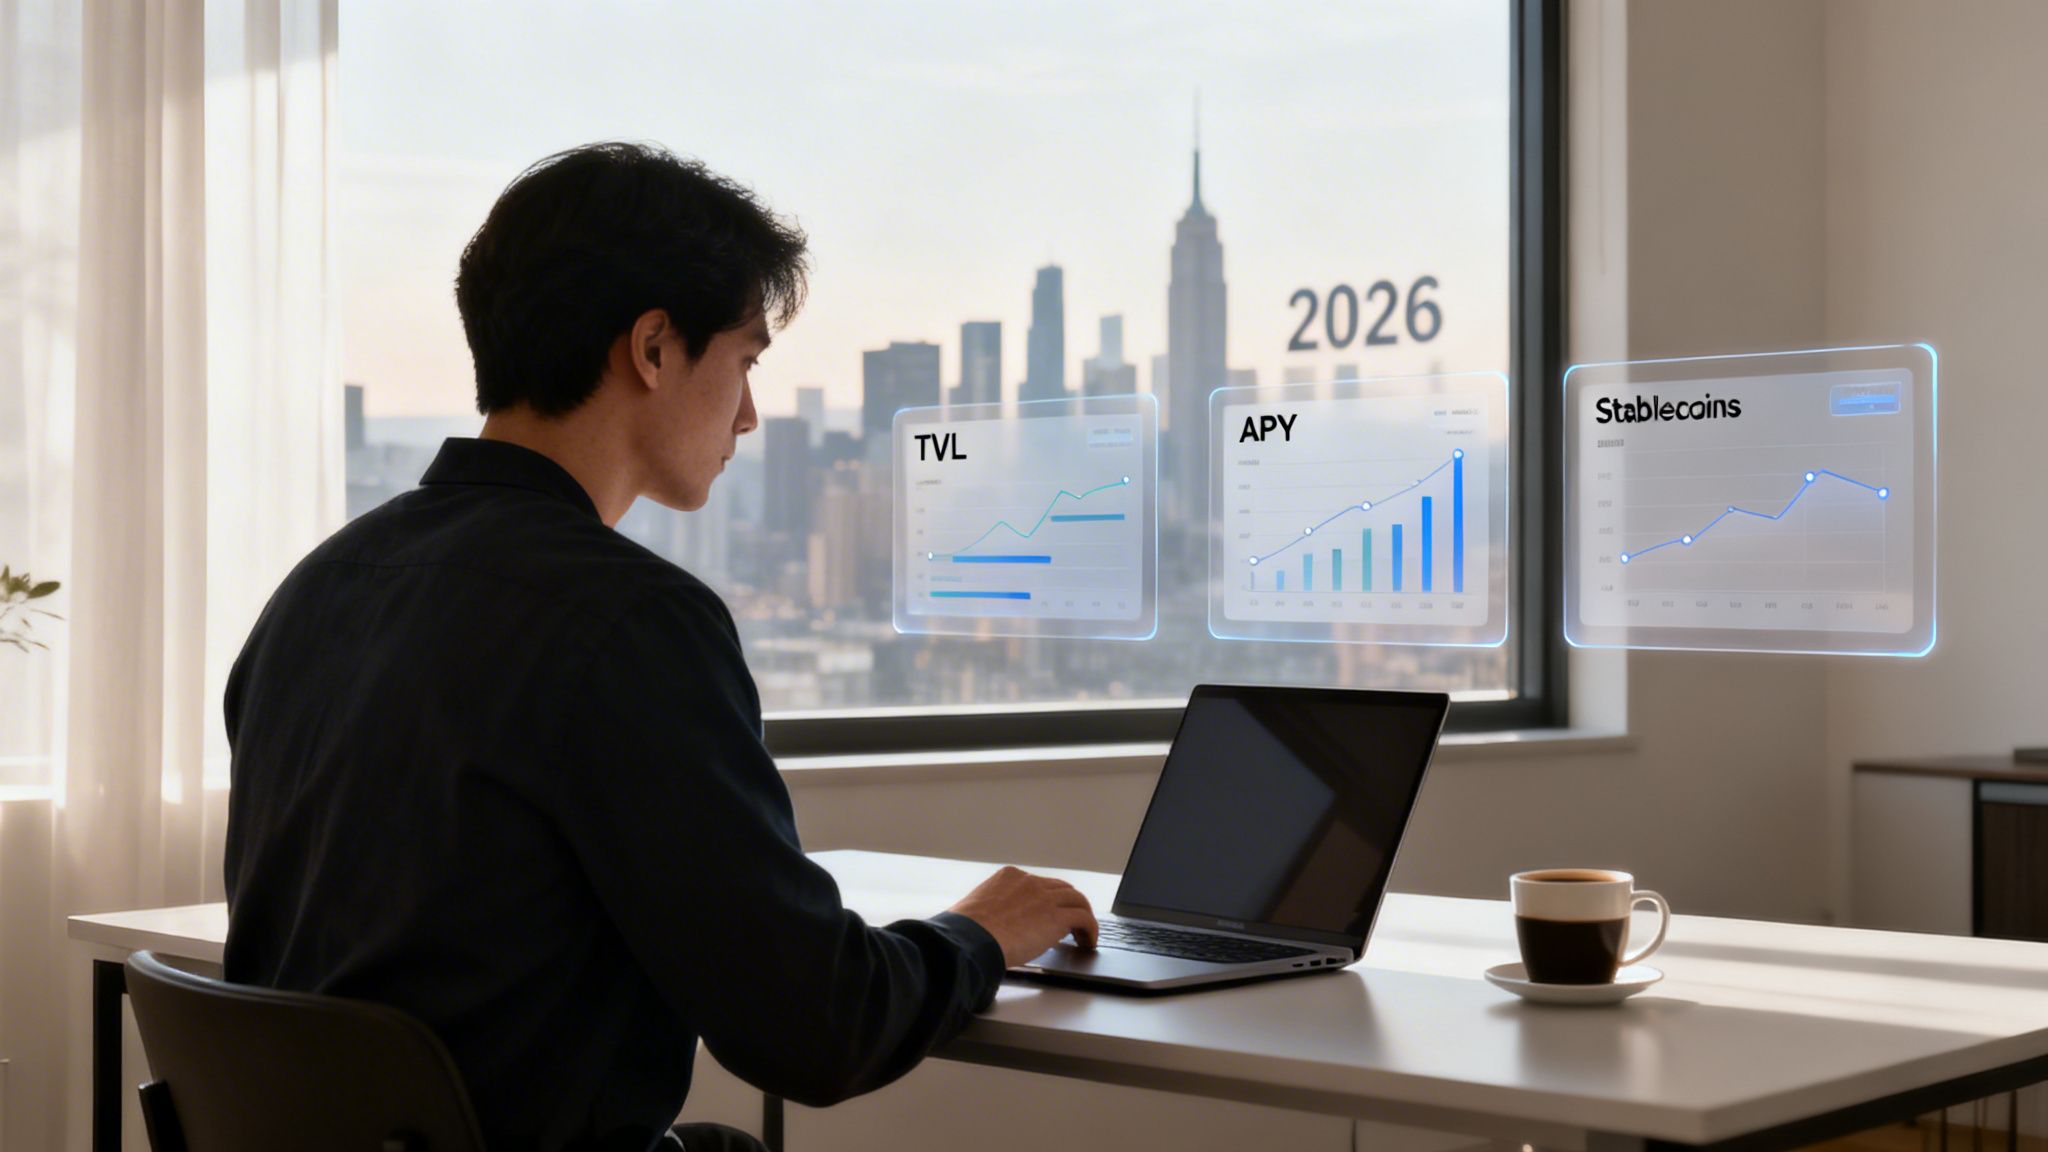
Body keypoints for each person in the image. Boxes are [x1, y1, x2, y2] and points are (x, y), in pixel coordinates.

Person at [222, 141, 1099, 1152]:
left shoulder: (316, 589)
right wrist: (978, 933)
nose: (752, 415)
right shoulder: (626, 623)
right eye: (744, 363)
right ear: (650, 348)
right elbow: (817, 1030)